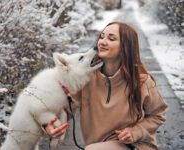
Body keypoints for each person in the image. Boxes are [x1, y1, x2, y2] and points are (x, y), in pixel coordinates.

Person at [44, 21, 168, 150]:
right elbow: (65, 107)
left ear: (126, 47)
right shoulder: (86, 78)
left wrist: (135, 132)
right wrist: (49, 124)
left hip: (135, 145)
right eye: (101, 37)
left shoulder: (142, 81)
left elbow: (157, 115)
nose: (102, 42)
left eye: (111, 38)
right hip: (95, 146)